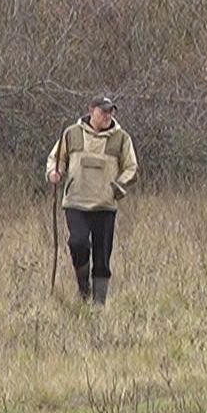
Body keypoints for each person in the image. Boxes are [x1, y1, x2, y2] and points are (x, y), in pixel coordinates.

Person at [45, 96, 139, 305]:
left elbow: (131, 168)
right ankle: (83, 288)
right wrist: (54, 173)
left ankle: (99, 304)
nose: (107, 116)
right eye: (103, 111)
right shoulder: (72, 134)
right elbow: (56, 158)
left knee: (102, 254)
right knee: (77, 243)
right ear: (91, 110)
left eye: (111, 111)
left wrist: (118, 186)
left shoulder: (121, 139)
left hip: (105, 205)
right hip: (76, 202)